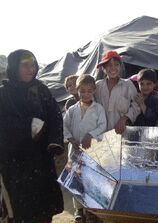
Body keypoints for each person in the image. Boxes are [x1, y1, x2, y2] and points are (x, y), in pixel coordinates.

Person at [0, 49, 64, 222]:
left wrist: (54, 142)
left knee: (44, 210)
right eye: (25, 65)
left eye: (33, 64)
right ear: (14, 67)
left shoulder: (41, 89)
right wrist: (28, 125)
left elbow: (55, 116)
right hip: (16, 164)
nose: (31, 69)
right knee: (23, 211)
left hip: (41, 160)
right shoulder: (4, 94)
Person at [63, 74, 107, 222]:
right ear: (78, 90)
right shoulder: (72, 109)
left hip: (92, 151)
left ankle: (91, 211)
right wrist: (70, 138)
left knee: (90, 181)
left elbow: (103, 126)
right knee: (75, 179)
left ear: (94, 91)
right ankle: (78, 210)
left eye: (89, 91)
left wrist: (90, 135)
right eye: (82, 91)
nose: (86, 94)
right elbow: (64, 126)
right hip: (75, 150)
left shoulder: (98, 109)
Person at [95, 50, 140, 134]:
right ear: (103, 68)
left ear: (120, 66)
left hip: (122, 133)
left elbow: (136, 105)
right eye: (109, 65)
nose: (113, 68)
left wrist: (125, 118)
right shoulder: (97, 86)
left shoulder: (128, 85)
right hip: (101, 135)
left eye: (116, 64)